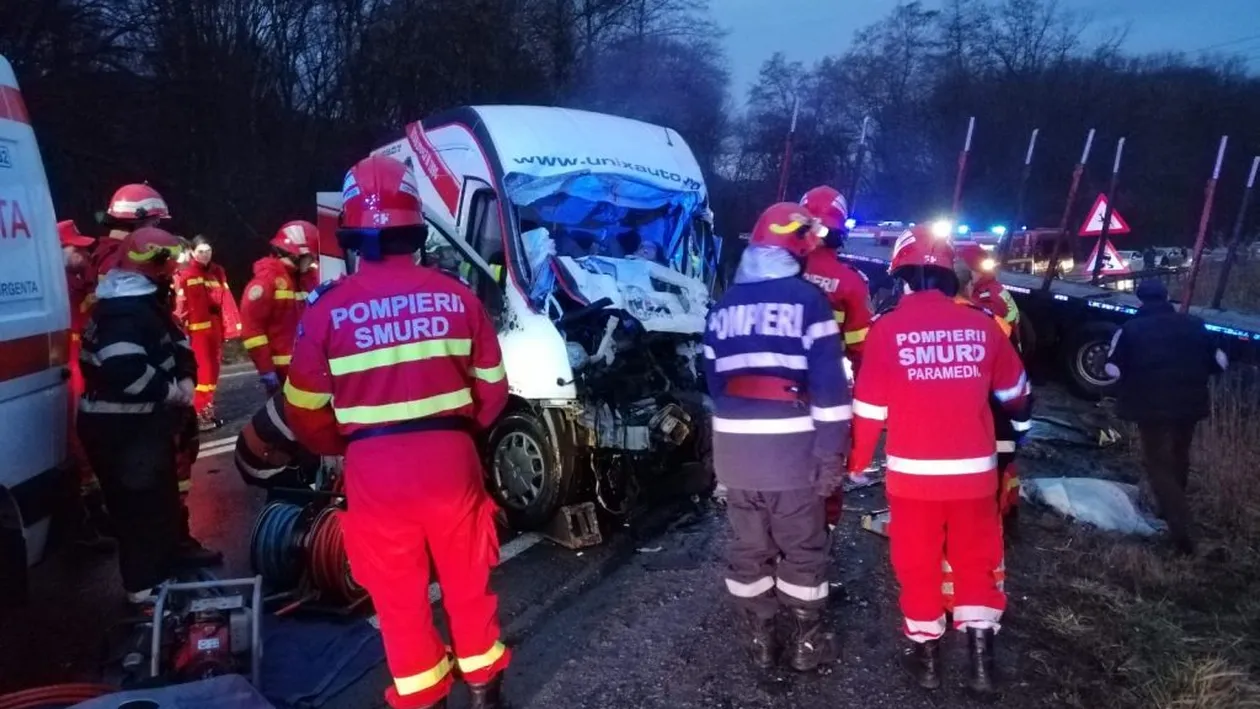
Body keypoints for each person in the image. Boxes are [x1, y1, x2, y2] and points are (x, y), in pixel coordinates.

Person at [284, 156, 512, 709]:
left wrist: (347, 445)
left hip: (374, 470)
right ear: (415, 225)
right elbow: (493, 390)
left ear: (352, 232)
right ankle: (485, 692)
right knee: (467, 580)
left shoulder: (326, 311)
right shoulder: (458, 297)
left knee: (398, 597)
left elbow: (304, 411)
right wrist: (458, 433)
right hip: (451, 460)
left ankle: (424, 694)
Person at [848, 225, 1031, 694]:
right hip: (975, 477)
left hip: (912, 480)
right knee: (977, 560)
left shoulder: (886, 329)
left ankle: (927, 661)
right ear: (951, 275)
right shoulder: (983, 325)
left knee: (917, 563)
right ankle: (981, 664)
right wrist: (1017, 430)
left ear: (901, 277)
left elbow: (868, 410)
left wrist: (857, 463)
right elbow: (1016, 393)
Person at [704, 202, 851, 673]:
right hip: (790, 453)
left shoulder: (723, 305)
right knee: (803, 546)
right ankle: (807, 641)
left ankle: (760, 639)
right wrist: (831, 453)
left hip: (734, 454)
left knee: (749, 546)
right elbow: (830, 389)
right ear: (797, 247)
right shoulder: (809, 301)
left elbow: (714, 383)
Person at [77, 228, 214, 604]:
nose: (174, 276)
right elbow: (125, 370)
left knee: (159, 504)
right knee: (139, 511)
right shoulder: (123, 312)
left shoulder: (143, 305)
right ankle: (144, 589)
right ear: (155, 268)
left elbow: (179, 343)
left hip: (141, 427)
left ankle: (163, 574)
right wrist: (170, 392)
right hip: (121, 431)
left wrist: (186, 377)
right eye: (170, 269)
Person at [1104, 280, 1226, 555]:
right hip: (1190, 404)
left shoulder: (1130, 329)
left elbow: (1113, 368)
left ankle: (1184, 534)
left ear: (1140, 300)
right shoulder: (1195, 324)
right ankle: (1169, 508)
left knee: (1158, 464)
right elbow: (1219, 362)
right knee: (1180, 455)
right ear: (1167, 296)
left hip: (1150, 407)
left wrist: (1127, 380)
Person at [799, 185, 873, 374]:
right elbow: (861, 349)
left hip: (767, 381)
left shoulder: (774, 268)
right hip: (822, 381)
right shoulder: (851, 282)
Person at [240, 221, 319, 394]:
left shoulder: (306, 278)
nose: (314, 260)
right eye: (311, 256)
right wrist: (266, 368)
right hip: (283, 373)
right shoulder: (266, 282)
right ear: (296, 255)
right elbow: (252, 331)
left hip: (310, 368)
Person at [174, 235, 242, 430]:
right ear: (192, 252)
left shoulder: (217, 272)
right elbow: (180, 305)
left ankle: (206, 410)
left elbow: (225, 300)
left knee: (213, 374)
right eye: (201, 251)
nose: (205, 255)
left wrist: (231, 327)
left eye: (208, 251)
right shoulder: (185, 273)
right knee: (203, 373)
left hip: (214, 329)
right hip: (196, 332)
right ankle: (198, 413)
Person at [93, 183, 171, 275]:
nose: (155, 231)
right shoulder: (118, 262)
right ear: (136, 222)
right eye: (154, 224)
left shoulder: (108, 253)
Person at [955, 242, 1020, 348]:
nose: (958, 276)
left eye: (961, 272)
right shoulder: (990, 286)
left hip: (1003, 351)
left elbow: (983, 337)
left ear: (973, 272)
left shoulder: (986, 300)